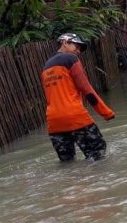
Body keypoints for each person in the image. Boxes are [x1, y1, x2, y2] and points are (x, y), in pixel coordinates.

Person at [41, 33, 115, 161]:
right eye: (77, 46)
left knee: (67, 162)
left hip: (54, 123)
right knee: (98, 154)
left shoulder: (45, 67)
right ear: (65, 42)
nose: (78, 51)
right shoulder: (71, 59)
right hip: (75, 117)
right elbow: (86, 89)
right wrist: (106, 113)